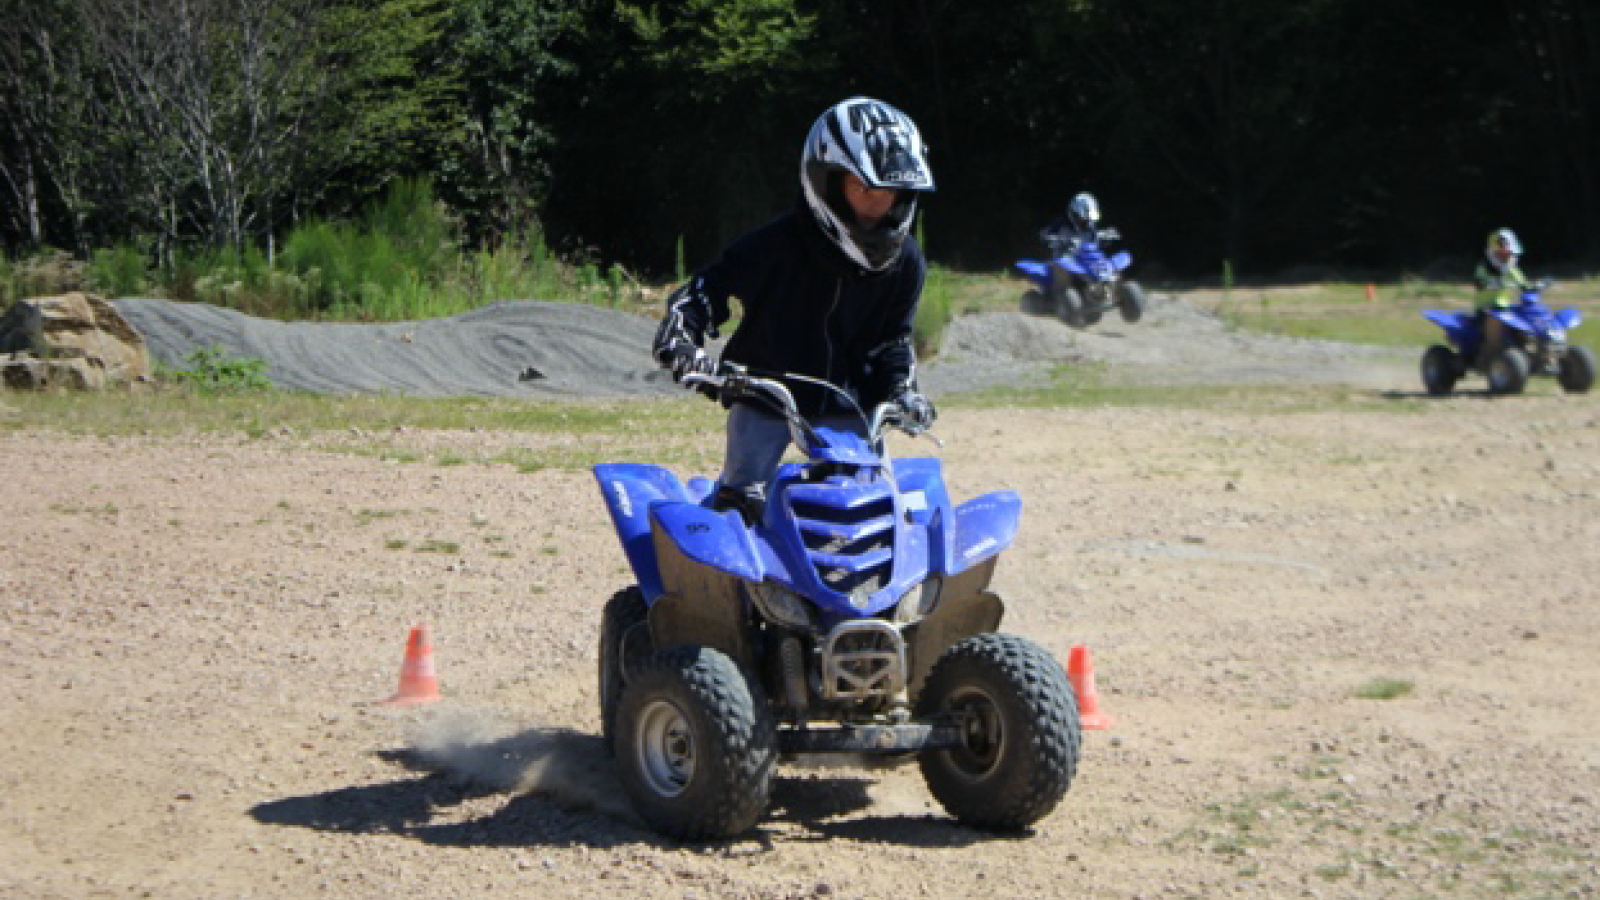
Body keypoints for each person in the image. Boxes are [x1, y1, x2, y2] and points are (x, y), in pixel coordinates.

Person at [650, 96, 938, 521]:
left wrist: (902, 390)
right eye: (866, 190)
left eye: (891, 193)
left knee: (872, 509)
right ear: (826, 181)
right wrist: (682, 339)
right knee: (741, 506)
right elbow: (704, 293)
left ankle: (876, 589)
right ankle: (721, 580)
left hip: (851, 404)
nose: (881, 207)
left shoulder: (906, 263)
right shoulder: (774, 246)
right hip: (764, 394)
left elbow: (893, 339)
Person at [1471, 227, 1528, 370]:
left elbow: (1523, 284)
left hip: (1506, 310)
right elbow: (1479, 282)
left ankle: (1524, 349)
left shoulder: (1512, 270)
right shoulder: (1483, 267)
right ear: (1494, 250)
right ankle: (1489, 355)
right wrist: (1490, 282)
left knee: (1523, 322)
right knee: (1493, 324)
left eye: (1508, 251)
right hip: (1486, 310)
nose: (1506, 254)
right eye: (1503, 250)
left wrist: (1532, 287)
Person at [1040, 191, 1119, 255]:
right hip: (1065, 264)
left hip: (1087, 264)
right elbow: (1043, 235)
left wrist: (1105, 238)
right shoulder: (1062, 222)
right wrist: (1059, 240)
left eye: (1088, 219)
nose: (1086, 221)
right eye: (1083, 218)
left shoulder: (1090, 226)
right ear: (1075, 213)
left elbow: (1094, 242)